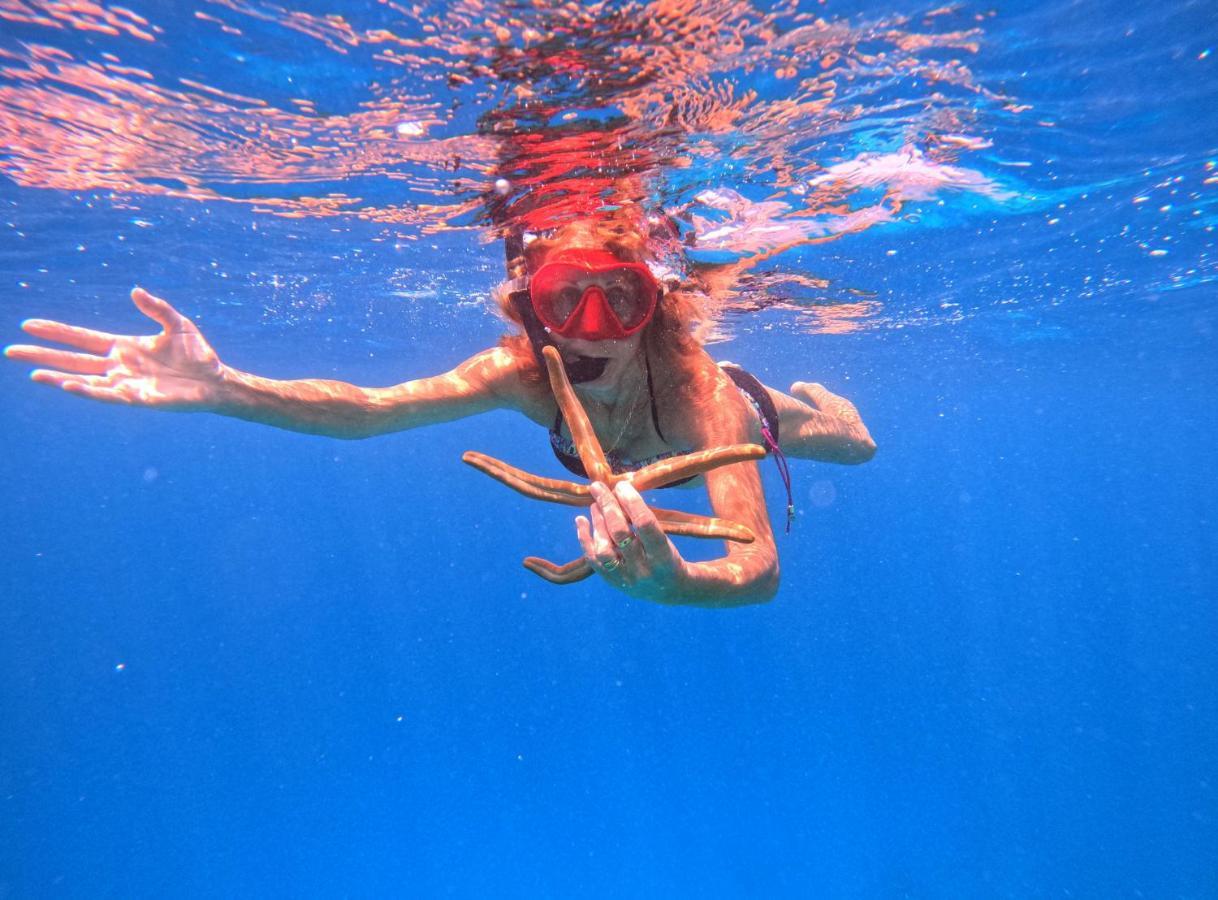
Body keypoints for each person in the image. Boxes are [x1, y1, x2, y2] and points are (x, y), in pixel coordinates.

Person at [5, 211, 875, 608]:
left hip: (744, 407)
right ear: (531, 307)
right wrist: (230, 389)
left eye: (624, 298)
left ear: (660, 305)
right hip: (620, 449)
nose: (596, 327)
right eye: (567, 298)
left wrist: (681, 583)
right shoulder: (519, 372)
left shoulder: (701, 397)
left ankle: (825, 405)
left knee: (849, 448)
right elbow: (372, 408)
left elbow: (758, 566)